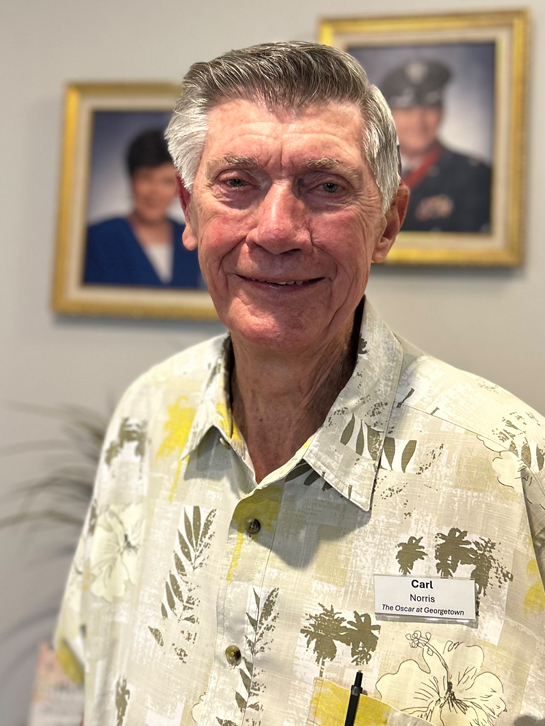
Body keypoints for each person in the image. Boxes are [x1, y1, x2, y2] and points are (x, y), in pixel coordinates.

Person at [55, 42, 545, 726]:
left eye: (327, 187)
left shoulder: (509, 462)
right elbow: (76, 678)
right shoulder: (146, 415)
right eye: (237, 183)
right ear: (190, 212)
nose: (277, 230)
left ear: (388, 223)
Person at [380, 59, 492, 233]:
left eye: (429, 108)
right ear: (389, 115)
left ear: (442, 112)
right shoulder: (369, 171)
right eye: (406, 110)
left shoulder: (475, 176)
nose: (418, 121)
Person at [84, 129, 203, 288]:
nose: (155, 191)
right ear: (132, 180)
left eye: (167, 181)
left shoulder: (194, 240)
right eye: (146, 178)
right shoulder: (96, 238)